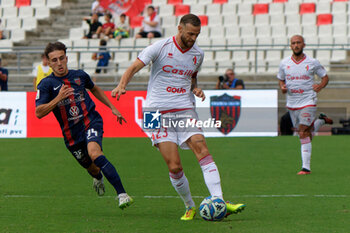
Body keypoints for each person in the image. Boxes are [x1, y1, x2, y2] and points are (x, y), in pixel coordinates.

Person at [111, 14, 245, 220]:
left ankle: (219, 201)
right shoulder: (160, 47)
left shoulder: (198, 54)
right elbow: (134, 67)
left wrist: (195, 88)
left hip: (184, 107)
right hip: (154, 112)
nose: (193, 38)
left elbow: (191, 75)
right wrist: (122, 85)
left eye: (197, 34)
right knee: (174, 165)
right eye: (190, 33)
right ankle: (189, 205)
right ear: (179, 28)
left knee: (202, 148)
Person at [35, 42, 133, 209]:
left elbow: (94, 89)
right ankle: (98, 177)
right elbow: (38, 112)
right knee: (92, 168)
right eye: (54, 60)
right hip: (71, 135)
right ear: (49, 63)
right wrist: (58, 99)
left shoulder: (79, 75)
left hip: (91, 121)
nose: (59, 63)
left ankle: (122, 194)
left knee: (95, 153)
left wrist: (112, 108)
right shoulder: (46, 85)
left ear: (66, 58)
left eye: (61, 58)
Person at [277, 35, 329, 175]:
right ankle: (321, 121)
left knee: (302, 131)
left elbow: (325, 77)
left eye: (298, 42)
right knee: (305, 134)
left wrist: (320, 86)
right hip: (292, 103)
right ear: (290, 46)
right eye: (293, 43)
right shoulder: (284, 63)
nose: (296, 45)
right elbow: (281, 80)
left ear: (304, 44)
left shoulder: (312, 62)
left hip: (308, 101)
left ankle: (306, 168)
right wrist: (282, 87)